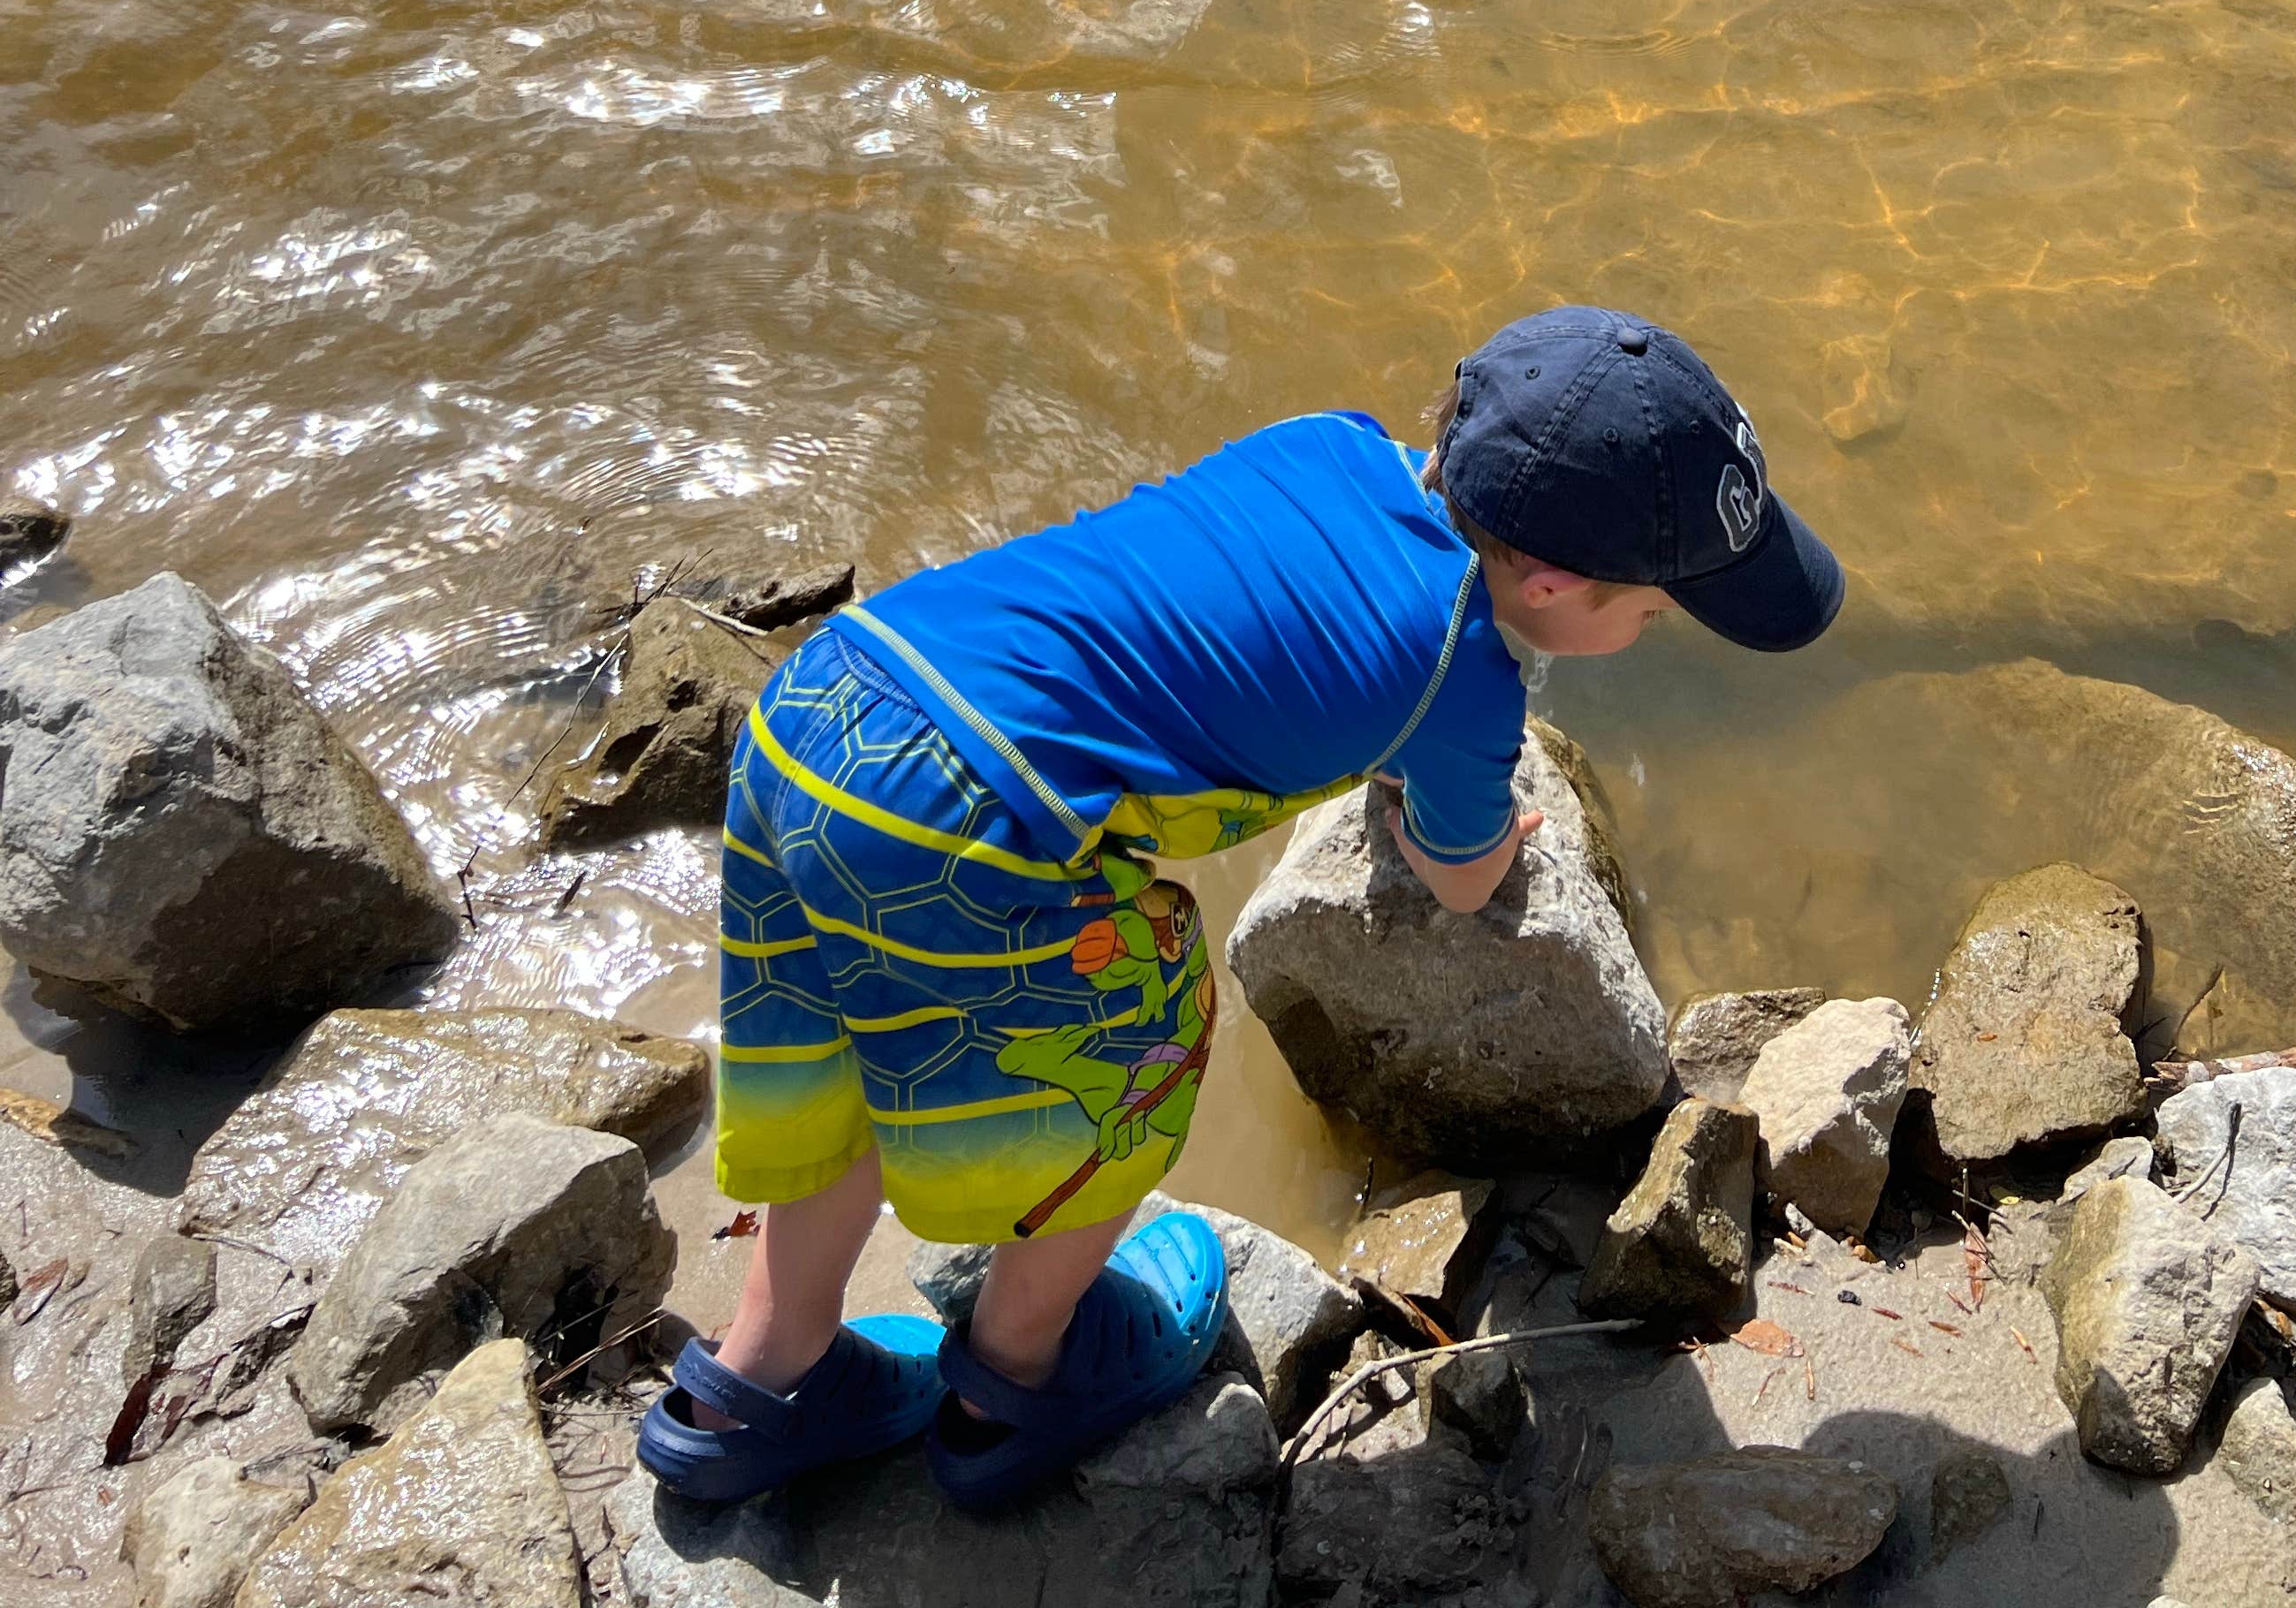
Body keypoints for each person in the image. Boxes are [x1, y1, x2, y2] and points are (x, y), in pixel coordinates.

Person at [636, 306, 1843, 1515]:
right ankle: (1016, 1375)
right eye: (1652, 610)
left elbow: (1253, 625)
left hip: (827, 713)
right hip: (969, 821)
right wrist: (1486, 823)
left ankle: (759, 1377)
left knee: (839, 1051)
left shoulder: (1331, 443)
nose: (1652, 629)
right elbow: (1463, 876)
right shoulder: (1461, 678)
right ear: (1550, 585)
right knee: (1139, 1040)